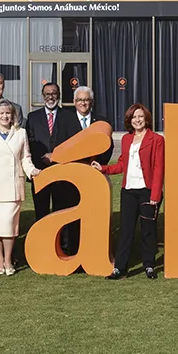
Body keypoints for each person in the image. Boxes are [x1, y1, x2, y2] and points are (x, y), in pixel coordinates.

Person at [93, 104, 164, 280]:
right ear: (129, 120)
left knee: (148, 230)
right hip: (128, 191)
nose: (137, 120)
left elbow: (158, 169)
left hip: (147, 191)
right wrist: (103, 168)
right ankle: (120, 268)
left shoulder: (156, 139)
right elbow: (122, 164)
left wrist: (155, 195)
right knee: (126, 230)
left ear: (146, 118)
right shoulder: (126, 139)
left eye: (140, 116)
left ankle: (149, 265)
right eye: (134, 117)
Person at [0, 99, 40, 276]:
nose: (5, 116)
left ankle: (9, 259)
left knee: (10, 225)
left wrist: (32, 170)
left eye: (8, 113)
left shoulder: (21, 133)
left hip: (12, 185)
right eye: (1, 113)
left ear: (13, 115)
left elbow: (25, 158)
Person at [57, 86, 114, 256]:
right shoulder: (64, 121)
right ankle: (73, 249)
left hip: (93, 175)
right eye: (80, 100)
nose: (83, 103)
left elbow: (108, 147)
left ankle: (92, 249)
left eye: (86, 100)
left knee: (93, 214)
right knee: (72, 212)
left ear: (92, 102)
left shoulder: (101, 121)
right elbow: (60, 145)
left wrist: (99, 163)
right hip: (73, 176)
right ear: (74, 102)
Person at [25, 82, 67, 222]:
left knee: (60, 210)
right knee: (40, 209)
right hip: (39, 171)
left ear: (59, 95)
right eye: (47, 94)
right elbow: (29, 143)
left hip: (61, 171)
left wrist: (56, 156)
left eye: (54, 93)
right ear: (43, 96)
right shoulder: (33, 117)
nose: (51, 96)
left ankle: (62, 242)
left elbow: (70, 143)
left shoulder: (68, 116)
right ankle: (41, 242)